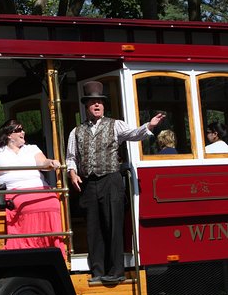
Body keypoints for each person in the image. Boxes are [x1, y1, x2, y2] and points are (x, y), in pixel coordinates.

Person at [67, 81, 165, 283]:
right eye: (93, 102)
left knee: (113, 225)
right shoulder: (76, 132)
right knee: (93, 228)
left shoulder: (115, 124)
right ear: (86, 106)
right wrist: (72, 172)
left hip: (111, 180)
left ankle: (116, 271)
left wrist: (149, 126)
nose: (97, 105)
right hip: (89, 183)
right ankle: (97, 271)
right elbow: (71, 157)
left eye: (100, 102)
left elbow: (133, 134)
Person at [0, 119, 66, 258]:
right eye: (19, 130)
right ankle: (28, 248)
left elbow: (42, 162)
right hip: (15, 191)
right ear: (9, 134)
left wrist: (51, 162)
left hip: (39, 188)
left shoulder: (32, 148)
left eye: (22, 129)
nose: (23, 132)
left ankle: (50, 247)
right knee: (27, 205)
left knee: (53, 201)